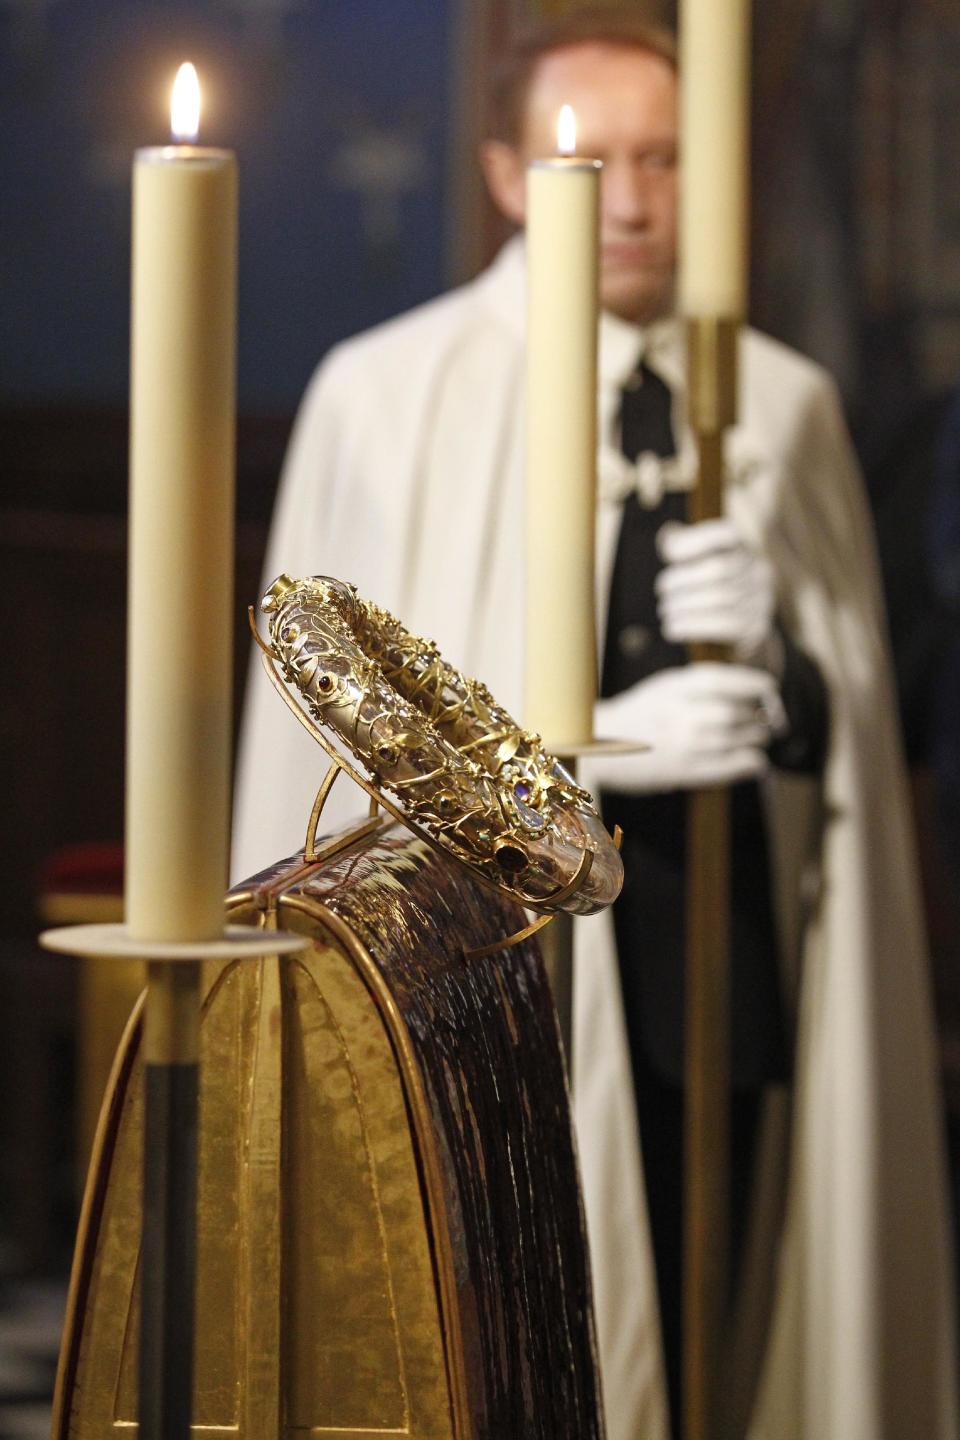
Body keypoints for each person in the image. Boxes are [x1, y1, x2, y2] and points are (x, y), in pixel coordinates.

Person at [232, 11, 957, 1440]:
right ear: (506, 172)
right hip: (494, 985)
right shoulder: (391, 396)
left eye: (669, 158)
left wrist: (787, 674)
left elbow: (858, 726)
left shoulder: (782, 405)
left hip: (722, 967)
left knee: (718, 1316)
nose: (633, 200)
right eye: (591, 159)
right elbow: (345, 739)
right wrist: (584, 747)